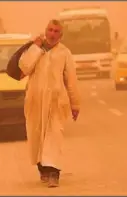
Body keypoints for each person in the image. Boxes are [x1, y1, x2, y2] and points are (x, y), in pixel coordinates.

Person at [18, 19, 81, 188]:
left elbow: (71, 81)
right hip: (35, 102)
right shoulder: (35, 49)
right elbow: (24, 68)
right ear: (45, 31)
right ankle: (43, 169)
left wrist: (75, 104)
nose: (52, 34)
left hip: (56, 102)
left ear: (61, 35)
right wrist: (36, 48)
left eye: (56, 31)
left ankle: (54, 172)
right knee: (37, 137)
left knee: (54, 136)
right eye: (50, 30)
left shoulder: (64, 53)